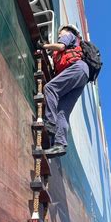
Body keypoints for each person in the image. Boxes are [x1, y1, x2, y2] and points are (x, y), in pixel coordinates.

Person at [38, 24, 89, 158]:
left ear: (66, 31)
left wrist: (44, 46)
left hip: (77, 69)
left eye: (60, 33)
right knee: (62, 112)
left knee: (50, 88)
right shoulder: (70, 47)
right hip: (81, 76)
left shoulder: (69, 36)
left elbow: (60, 47)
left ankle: (50, 123)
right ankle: (60, 145)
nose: (59, 36)